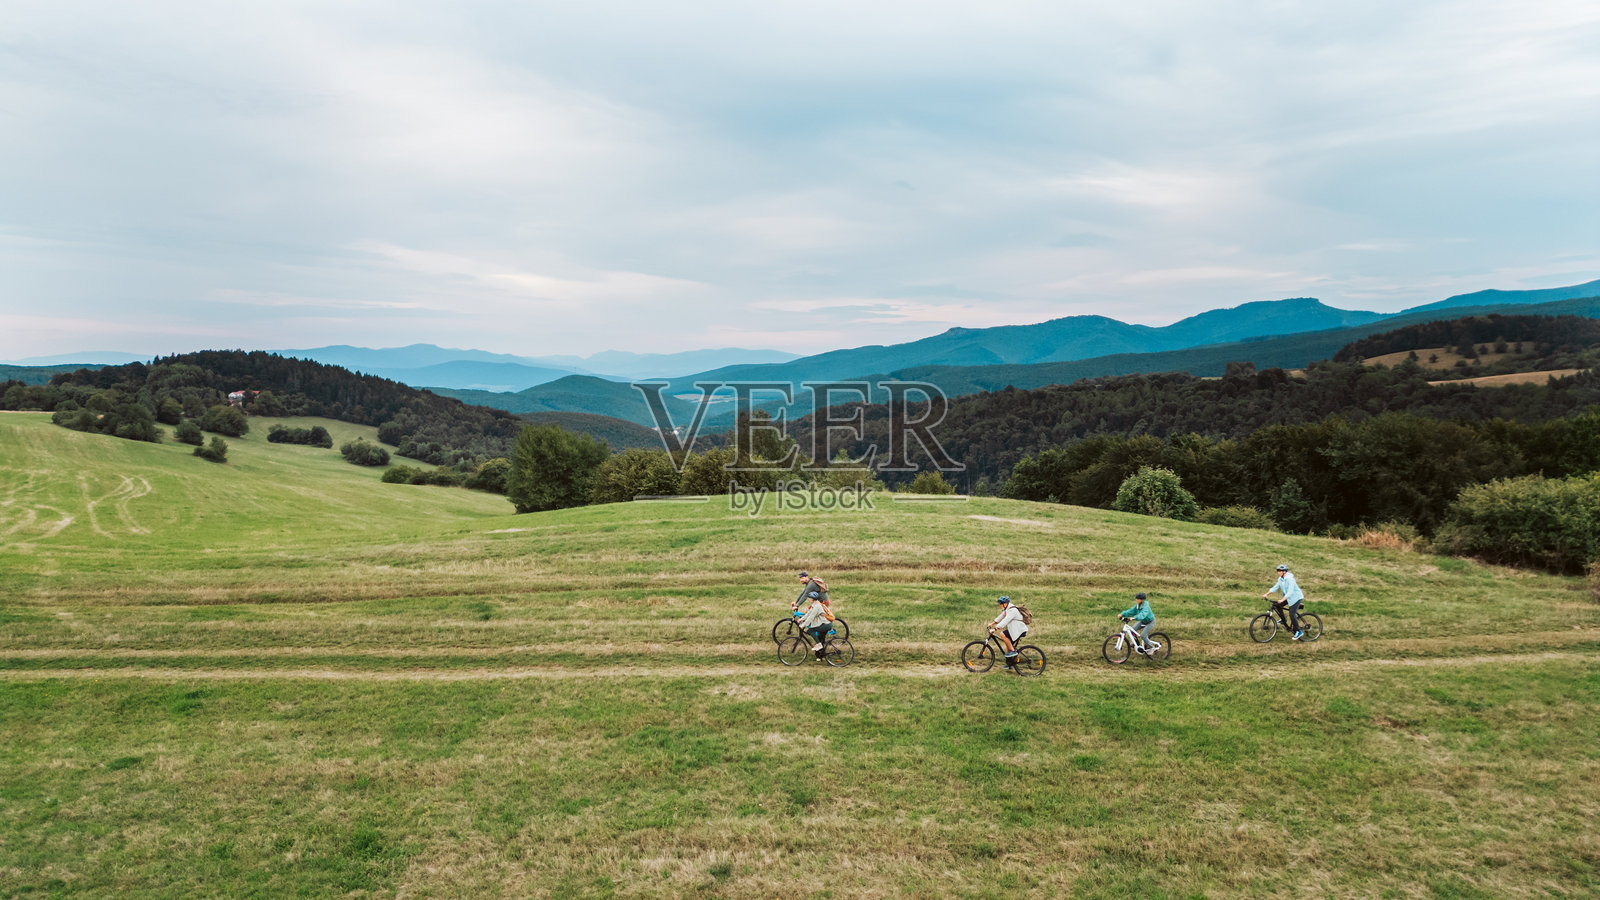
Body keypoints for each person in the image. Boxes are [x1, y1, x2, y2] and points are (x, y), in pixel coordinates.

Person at [1263, 563, 1305, 640]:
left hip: (1296, 598)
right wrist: (1267, 594)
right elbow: (1275, 587)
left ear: (1284, 572)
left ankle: (1298, 631)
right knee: (1277, 605)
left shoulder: (1290, 579)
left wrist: (1282, 599)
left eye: (1279, 570)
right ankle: (1283, 619)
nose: (1278, 572)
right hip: (1288, 597)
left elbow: (1290, 591)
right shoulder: (1280, 579)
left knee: (1292, 615)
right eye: (1277, 570)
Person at [989, 595, 1027, 668]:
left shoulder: (1012, 610)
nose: (1000, 605)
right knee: (1008, 646)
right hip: (1015, 630)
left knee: (1002, 634)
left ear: (1005, 603)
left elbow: (1005, 621)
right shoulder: (1008, 609)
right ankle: (1010, 663)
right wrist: (992, 624)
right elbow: (1001, 617)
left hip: (1019, 630)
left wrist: (995, 628)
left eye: (1001, 604)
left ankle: (1013, 652)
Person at [796, 590, 836, 656]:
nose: (809, 599)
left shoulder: (817, 606)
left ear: (812, 599)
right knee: (820, 638)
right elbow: (808, 613)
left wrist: (803, 625)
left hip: (826, 625)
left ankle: (819, 645)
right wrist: (801, 619)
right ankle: (821, 654)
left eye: (810, 598)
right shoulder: (814, 605)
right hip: (823, 624)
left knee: (810, 631)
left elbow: (811, 617)